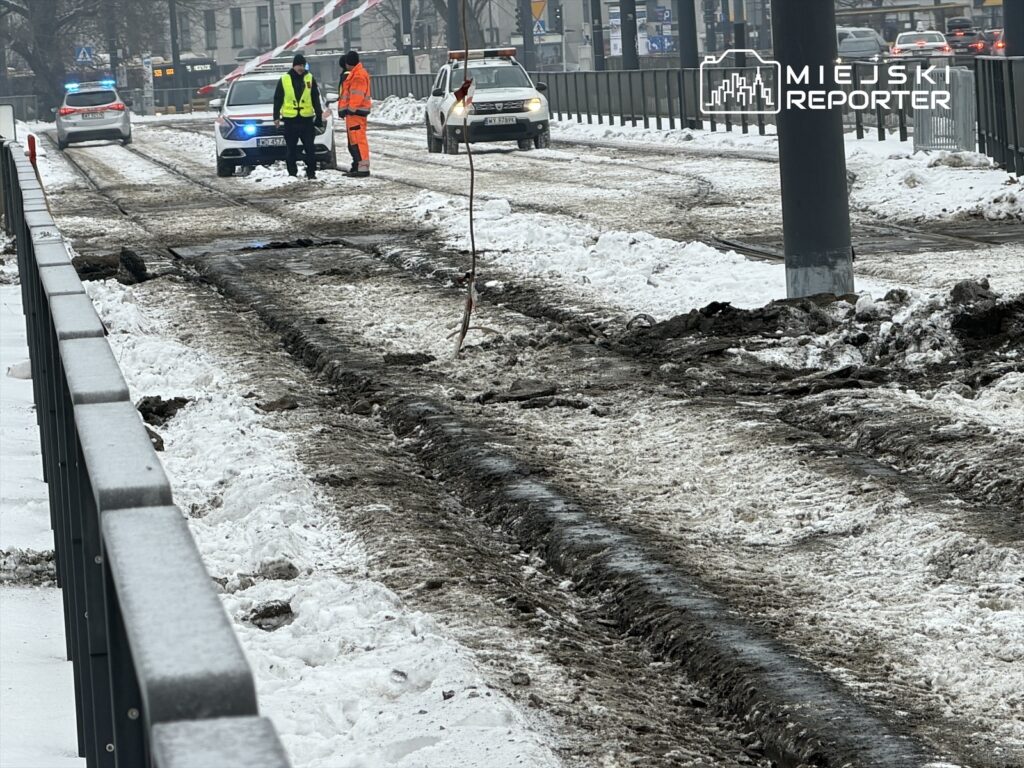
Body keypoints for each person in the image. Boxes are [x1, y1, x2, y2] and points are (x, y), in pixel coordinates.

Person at [273, 54, 323, 179]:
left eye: (302, 65)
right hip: (291, 120)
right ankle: (292, 173)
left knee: (310, 149)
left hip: (306, 120)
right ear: (294, 66)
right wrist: (276, 116)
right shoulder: (285, 79)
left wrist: (319, 114)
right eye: (298, 65)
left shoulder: (309, 78)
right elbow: (278, 99)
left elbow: (315, 97)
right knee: (291, 149)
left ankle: (311, 173)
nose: (301, 68)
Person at [338, 50, 371, 178]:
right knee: (354, 141)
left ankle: (362, 168)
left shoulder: (357, 76)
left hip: (355, 114)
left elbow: (357, 95)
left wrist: (350, 109)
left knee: (358, 141)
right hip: (354, 114)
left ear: (347, 63)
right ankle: (358, 166)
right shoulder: (356, 73)